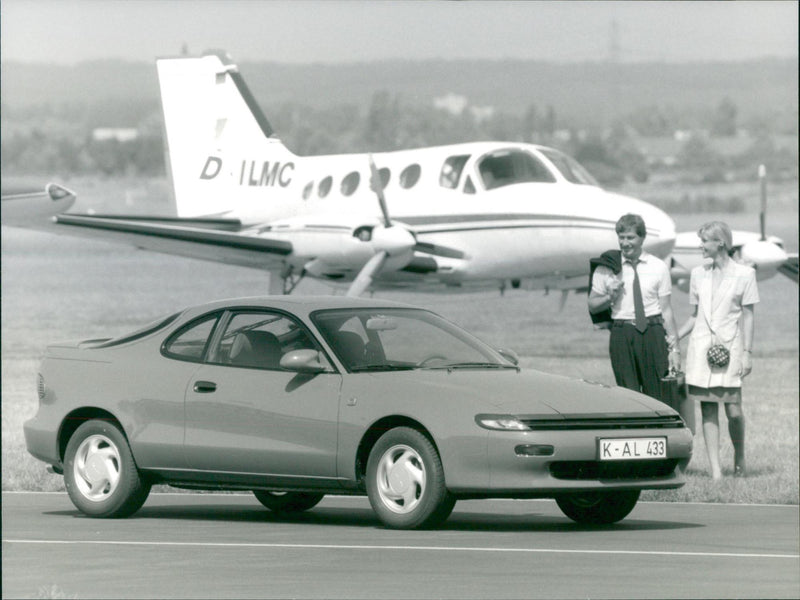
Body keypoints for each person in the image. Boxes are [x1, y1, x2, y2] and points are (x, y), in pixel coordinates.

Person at [677, 221, 758, 479]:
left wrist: (747, 352)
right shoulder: (698, 274)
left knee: (733, 410)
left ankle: (739, 456)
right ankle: (715, 471)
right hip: (701, 350)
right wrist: (674, 337)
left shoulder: (745, 274)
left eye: (704, 241)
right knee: (708, 409)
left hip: (730, 350)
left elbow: (748, 316)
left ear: (720, 242)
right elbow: (694, 315)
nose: (700, 246)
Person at [589, 214, 681, 401]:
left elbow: (667, 310)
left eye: (630, 237)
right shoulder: (607, 267)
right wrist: (610, 296)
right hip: (622, 333)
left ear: (642, 238)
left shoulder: (658, 267)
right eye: (621, 238)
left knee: (657, 393)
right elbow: (592, 305)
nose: (625, 243)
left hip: (653, 331)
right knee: (627, 395)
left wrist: (675, 349)